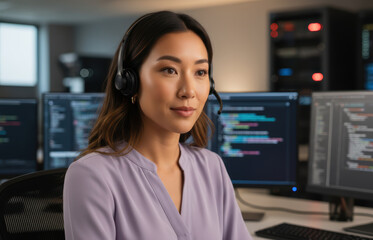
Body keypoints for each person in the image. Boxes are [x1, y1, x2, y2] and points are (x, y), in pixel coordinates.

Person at [63, 11, 252, 240]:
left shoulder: (212, 167)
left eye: (200, 72)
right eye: (169, 70)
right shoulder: (92, 175)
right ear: (129, 81)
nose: (189, 91)